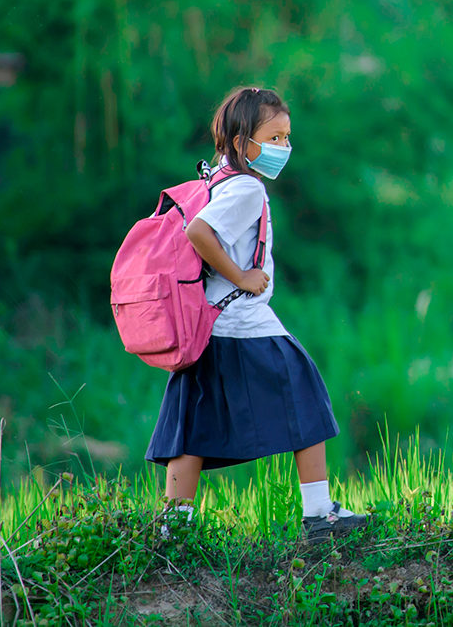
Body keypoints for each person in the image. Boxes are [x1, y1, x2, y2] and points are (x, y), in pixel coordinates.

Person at [145, 86, 367, 540]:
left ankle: (173, 530)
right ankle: (320, 513)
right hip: (242, 321)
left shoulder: (219, 180)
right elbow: (199, 231)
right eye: (275, 137)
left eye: (287, 137)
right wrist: (241, 276)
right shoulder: (246, 187)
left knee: (192, 426)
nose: (284, 147)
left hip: (206, 323)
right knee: (305, 392)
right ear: (244, 141)